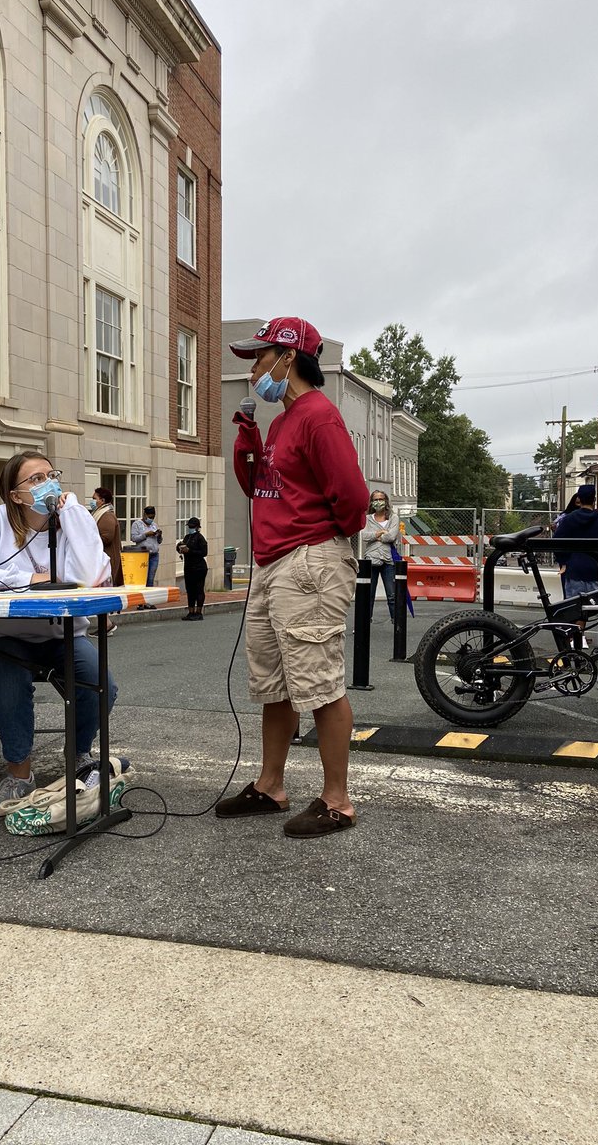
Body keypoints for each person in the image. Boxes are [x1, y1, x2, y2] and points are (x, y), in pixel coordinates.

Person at [216, 316, 369, 839]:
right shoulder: (282, 420)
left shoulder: (318, 417)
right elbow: (259, 487)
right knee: (276, 683)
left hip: (307, 560)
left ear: (288, 358)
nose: (253, 370)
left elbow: (353, 502)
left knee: (319, 681)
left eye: (259, 358)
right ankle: (271, 785)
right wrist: (247, 436)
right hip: (274, 562)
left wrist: (319, 542)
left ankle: (337, 801)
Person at [0, 451, 121, 816]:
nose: (48, 483)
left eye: (51, 475)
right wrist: (32, 580)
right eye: (35, 479)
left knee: (102, 684)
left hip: (62, 636)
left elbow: (89, 576)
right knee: (11, 684)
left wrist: (74, 516)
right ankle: (19, 774)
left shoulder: (71, 522)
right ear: (15, 494)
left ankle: (79, 756)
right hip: (4, 638)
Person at [552, 484, 598, 646]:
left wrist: (563, 561)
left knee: (576, 606)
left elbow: (557, 541)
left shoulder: (569, 519)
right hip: (596, 567)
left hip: (575, 567)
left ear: (579, 499)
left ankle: (577, 637)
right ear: (594, 499)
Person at [360, 489, 400, 619]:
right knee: (368, 595)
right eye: (375, 499)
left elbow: (392, 536)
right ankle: (365, 622)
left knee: (392, 594)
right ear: (371, 503)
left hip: (388, 560)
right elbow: (364, 536)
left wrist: (377, 537)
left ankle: (396, 621)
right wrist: (379, 533)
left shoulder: (393, 518)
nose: (378, 502)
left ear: (386, 501)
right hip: (371, 559)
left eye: (381, 499)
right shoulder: (367, 519)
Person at [88, 486, 122, 637]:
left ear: (102, 500)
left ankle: (106, 625)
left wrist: (87, 537)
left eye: (94, 498)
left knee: (101, 593)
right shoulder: (99, 514)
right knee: (98, 593)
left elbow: (106, 537)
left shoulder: (107, 516)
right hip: (100, 560)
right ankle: (106, 624)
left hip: (106, 561)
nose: (92, 501)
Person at [177, 516, 208, 620]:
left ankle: (199, 612)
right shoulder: (187, 537)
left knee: (199, 589)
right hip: (189, 567)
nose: (190, 528)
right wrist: (179, 547)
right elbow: (181, 546)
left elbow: (204, 553)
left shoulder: (200, 538)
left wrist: (189, 551)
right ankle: (191, 612)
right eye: (189, 526)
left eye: (192, 526)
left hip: (199, 567)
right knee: (190, 590)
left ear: (197, 527)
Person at [131, 505, 162, 586]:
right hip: (142, 555)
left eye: (153, 517)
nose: (151, 519)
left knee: (151, 578)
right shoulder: (136, 524)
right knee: (142, 577)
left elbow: (159, 541)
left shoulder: (154, 525)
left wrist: (159, 535)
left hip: (154, 555)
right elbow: (133, 538)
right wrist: (146, 535)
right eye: (149, 517)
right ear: (144, 515)